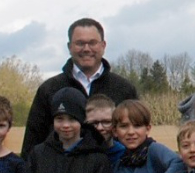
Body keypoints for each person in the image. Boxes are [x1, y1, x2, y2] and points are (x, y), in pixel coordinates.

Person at [21, 17, 137, 157]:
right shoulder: (49, 89)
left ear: (103, 46)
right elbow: (32, 142)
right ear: (70, 47)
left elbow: (137, 135)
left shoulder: (124, 89)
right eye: (80, 43)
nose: (86, 49)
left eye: (92, 43)